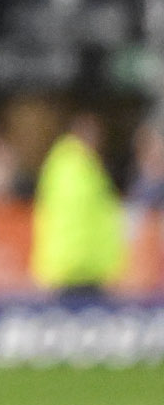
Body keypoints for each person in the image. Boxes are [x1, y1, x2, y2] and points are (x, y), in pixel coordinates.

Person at [30, 113, 124, 302]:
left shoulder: (81, 166)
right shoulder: (73, 167)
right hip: (74, 269)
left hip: (82, 267)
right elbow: (79, 219)